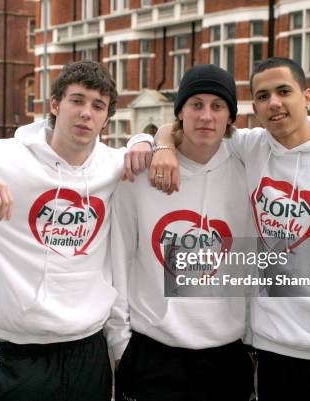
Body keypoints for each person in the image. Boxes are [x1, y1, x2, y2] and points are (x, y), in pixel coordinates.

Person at [148, 57, 310, 401]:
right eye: (262, 96)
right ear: (254, 107)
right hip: (273, 353)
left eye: (283, 91)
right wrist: (158, 143)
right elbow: (192, 125)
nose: (273, 103)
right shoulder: (254, 147)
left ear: (307, 97)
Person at [0, 60, 153, 401]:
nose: (86, 113)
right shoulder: (4, 158)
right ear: (55, 104)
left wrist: (147, 140)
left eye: (97, 106)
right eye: (77, 100)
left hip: (88, 351)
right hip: (21, 355)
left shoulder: (113, 166)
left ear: (106, 118)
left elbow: (165, 147)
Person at [108, 64, 255, 401]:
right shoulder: (139, 176)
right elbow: (119, 259)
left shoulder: (248, 171)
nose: (206, 116)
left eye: (217, 106)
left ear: (230, 117)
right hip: (152, 354)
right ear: (180, 112)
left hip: (226, 357)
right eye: (196, 104)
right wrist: (119, 345)